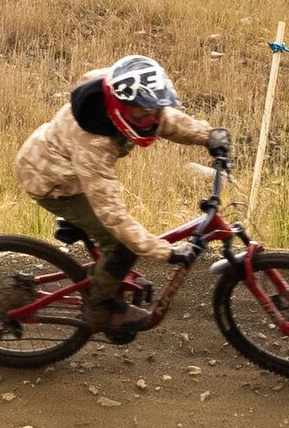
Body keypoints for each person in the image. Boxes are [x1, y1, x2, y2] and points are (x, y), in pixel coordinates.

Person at [14, 55, 225, 341]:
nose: (150, 120)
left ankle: (103, 278)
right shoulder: (94, 144)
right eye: (141, 115)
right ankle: (99, 307)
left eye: (154, 110)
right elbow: (114, 217)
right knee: (122, 246)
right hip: (53, 180)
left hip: (63, 160)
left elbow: (161, 117)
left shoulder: (127, 95)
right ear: (119, 111)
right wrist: (166, 251)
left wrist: (207, 135)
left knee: (122, 245)